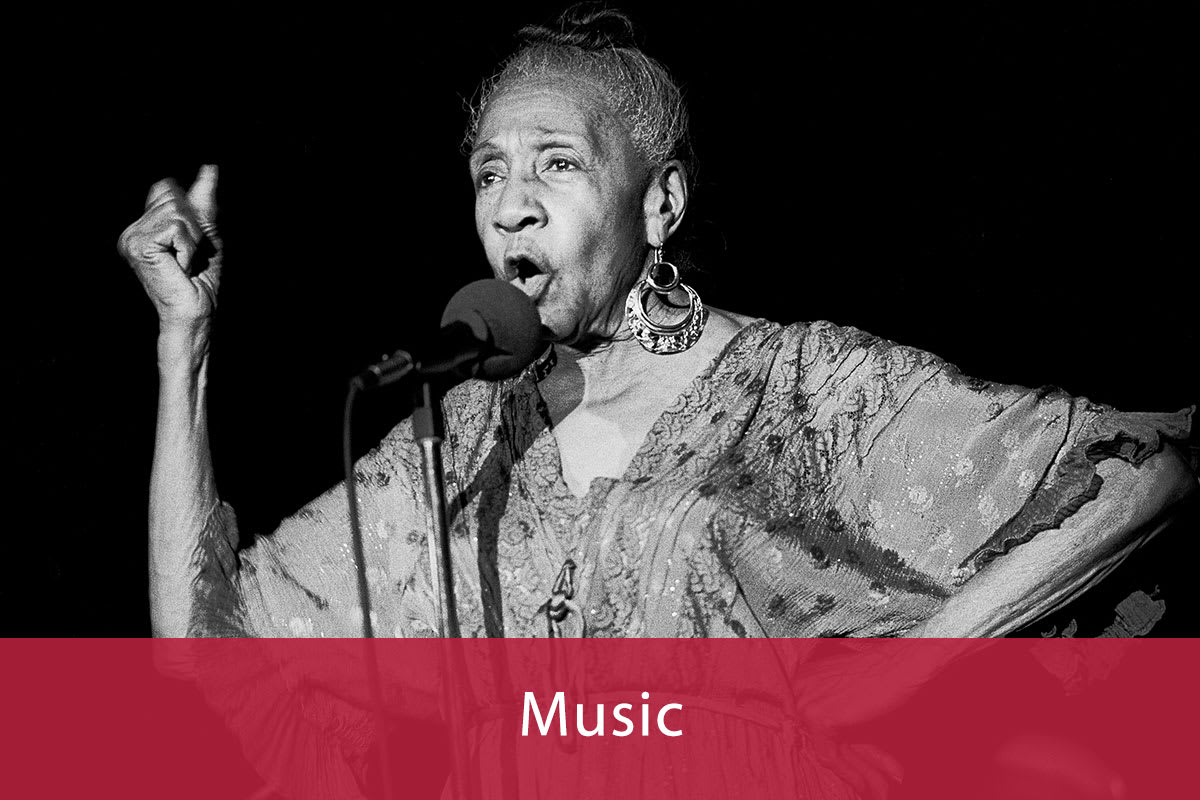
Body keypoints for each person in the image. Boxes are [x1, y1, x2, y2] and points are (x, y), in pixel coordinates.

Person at [119, 6, 1195, 642]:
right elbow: (204, 650)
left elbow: (1141, 475)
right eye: (490, 172)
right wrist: (186, 348)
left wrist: (894, 692)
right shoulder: (451, 454)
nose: (512, 202)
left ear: (660, 204)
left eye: (556, 163)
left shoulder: (803, 388)